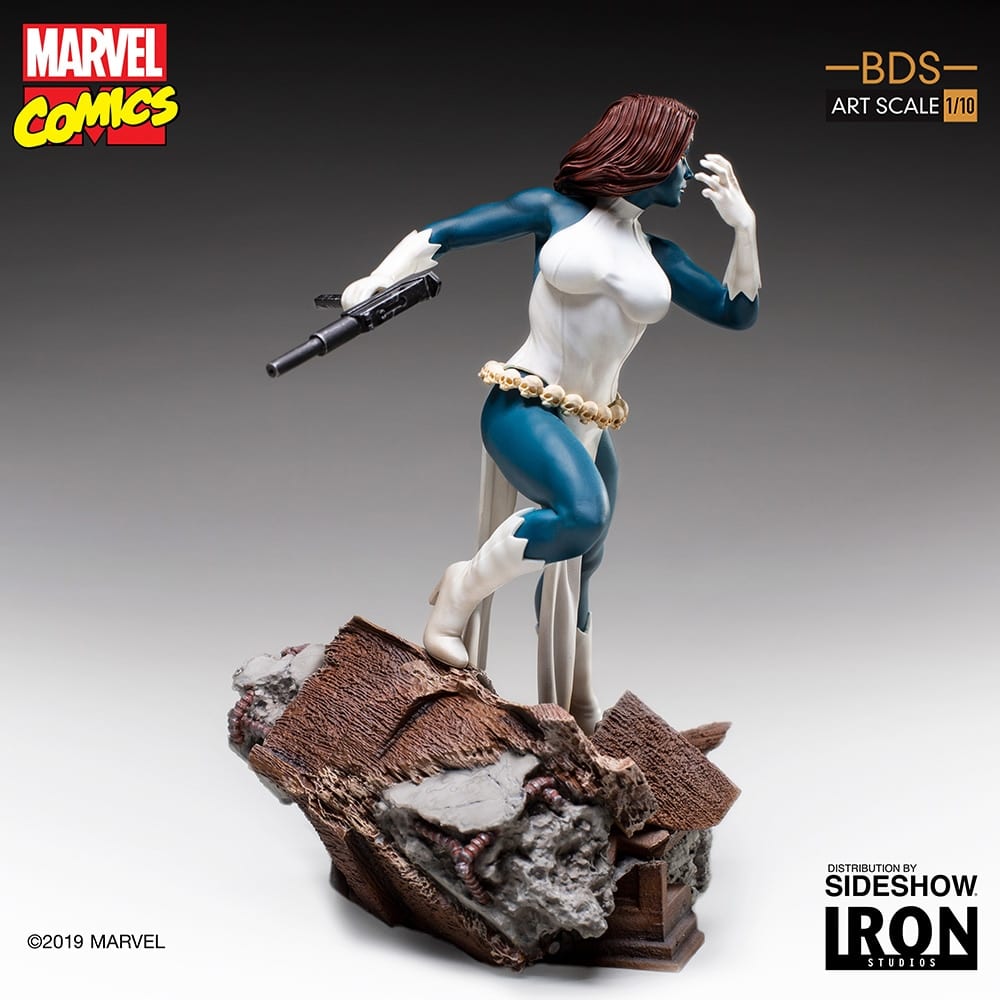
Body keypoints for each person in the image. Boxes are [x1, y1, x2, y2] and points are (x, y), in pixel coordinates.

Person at [340, 94, 761, 734]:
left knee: (584, 558)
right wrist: (377, 280)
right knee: (581, 516)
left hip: (591, 422)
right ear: (644, 155)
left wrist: (744, 228)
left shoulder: (661, 255)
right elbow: (445, 234)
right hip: (525, 404)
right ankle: (457, 594)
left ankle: (577, 698)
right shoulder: (554, 211)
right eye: (678, 156)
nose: (685, 170)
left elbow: (737, 310)